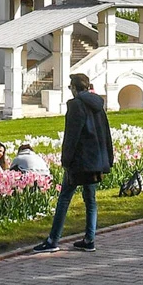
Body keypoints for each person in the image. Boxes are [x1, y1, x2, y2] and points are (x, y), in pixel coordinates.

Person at [34, 73, 112, 254]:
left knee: (64, 199)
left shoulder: (76, 105)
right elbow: (105, 133)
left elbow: (72, 136)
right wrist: (107, 158)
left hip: (79, 161)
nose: (70, 91)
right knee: (91, 200)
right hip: (95, 161)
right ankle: (89, 239)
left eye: (70, 87)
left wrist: (66, 160)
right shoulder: (98, 105)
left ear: (75, 88)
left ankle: (53, 240)